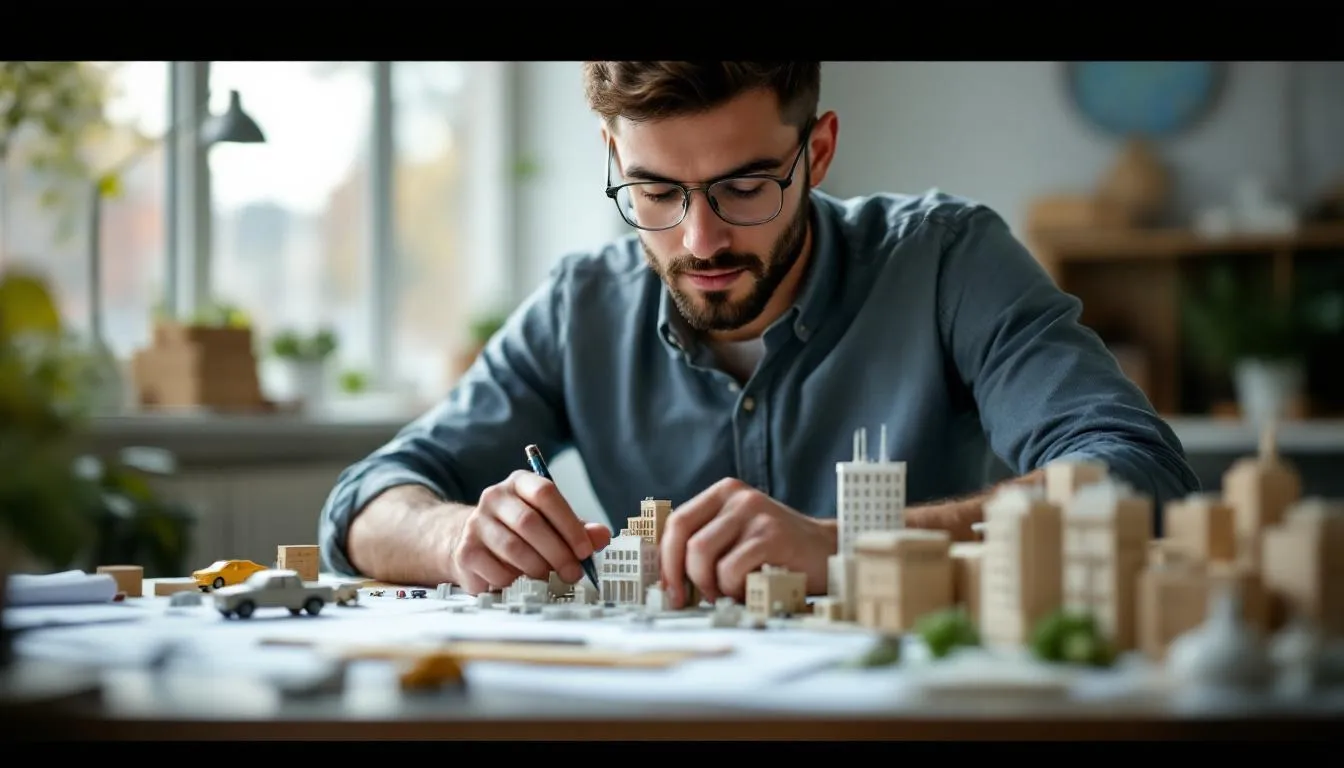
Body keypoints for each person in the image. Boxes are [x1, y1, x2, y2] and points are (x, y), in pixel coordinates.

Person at [317, 61, 1200, 609]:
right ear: (615, 160)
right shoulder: (580, 305)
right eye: (657, 193)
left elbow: (1140, 474)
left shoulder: (946, 259)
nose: (699, 241)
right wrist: (458, 537)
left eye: (745, 187)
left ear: (816, 152)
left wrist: (846, 544)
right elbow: (367, 500)